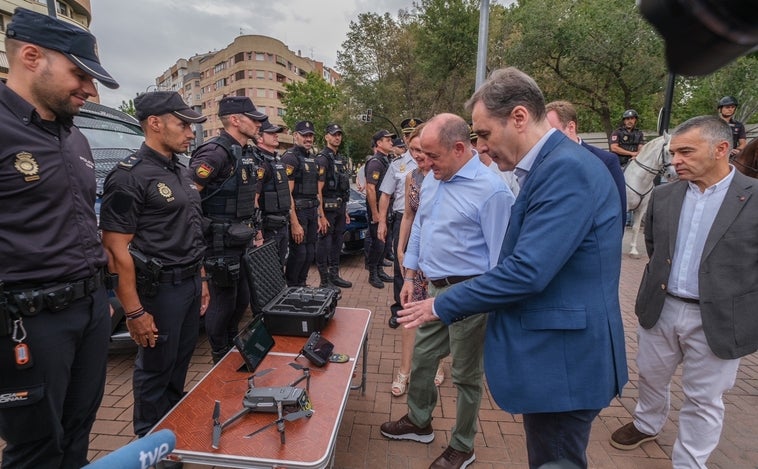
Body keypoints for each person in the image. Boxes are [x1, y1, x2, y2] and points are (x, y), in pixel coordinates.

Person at [397, 67, 628, 469]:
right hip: (559, 356)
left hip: (565, 361)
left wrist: (440, 305)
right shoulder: (552, 166)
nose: (481, 147)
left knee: (555, 460)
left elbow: (526, 270)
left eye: (484, 134)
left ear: (518, 117)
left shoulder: (565, 169)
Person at [0, 8, 119, 467]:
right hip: (28, 320)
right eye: (80, 74)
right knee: (35, 447)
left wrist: (103, 299)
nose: (90, 89)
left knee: (77, 431)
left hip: (88, 311)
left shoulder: (76, 139)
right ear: (32, 56)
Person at [610, 115, 758, 468]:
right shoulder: (663, 196)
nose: (675, 160)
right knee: (650, 374)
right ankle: (647, 423)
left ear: (721, 149)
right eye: (674, 152)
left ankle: (689, 462)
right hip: (661, 308)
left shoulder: (753, 199)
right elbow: (654, 246)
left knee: (704, 399)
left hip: (719, 318)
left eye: (686, 152)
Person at [380, 113, 514, 469]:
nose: (424, 163)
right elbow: (422, 226)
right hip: (435, 292)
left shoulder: (492, 191)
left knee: (466, 375)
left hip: (471, 293)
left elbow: (501, 259)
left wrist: (483, 300)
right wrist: (409, 276)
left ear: (459, 148)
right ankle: (419, 421)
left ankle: (463, 445)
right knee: (423, 358)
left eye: (432, 156)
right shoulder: (434, 178)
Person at [100, 91, 210, 438]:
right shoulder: (129, 176)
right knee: (155, 367)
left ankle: (173, 425)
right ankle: (149, 441)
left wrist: (202, 279)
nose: (191, 133)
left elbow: (192, 230)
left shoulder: (181, 169)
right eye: (184, 124)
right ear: (155, 123)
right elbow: (115, 249)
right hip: (160, 290)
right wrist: (133, 313)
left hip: (190, 283)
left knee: (180, 361)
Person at [189, 96, 266, 363]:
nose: (259, 123)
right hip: (219, 244)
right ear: (235, 120)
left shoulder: (245, 151)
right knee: (223, 303)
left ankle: (234, 344)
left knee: (241, 298)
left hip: (240, 241)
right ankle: (219, 352)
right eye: (253, 119)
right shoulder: (214, 153)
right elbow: (188, 201)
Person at [388, 123, 444, 397]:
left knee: (434, 312)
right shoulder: (412, 177)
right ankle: (404, 369)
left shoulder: (443, 175)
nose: (417, 154)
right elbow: (409, 216)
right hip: (413, 256)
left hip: (436, 257)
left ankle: (436, 364)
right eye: (412, 149)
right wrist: (400, 248)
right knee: (409, 311)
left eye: (420, 149)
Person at [546, 100, 627, 228]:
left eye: (551, 132)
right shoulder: (544, 163)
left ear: (571, 127)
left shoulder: (606, 161)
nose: (546, 138)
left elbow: (618, 212)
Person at [378, 118, 424, 328]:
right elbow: (385, 194)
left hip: (424, 222)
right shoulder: (398, 164)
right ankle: (400, 308)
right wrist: (381, 222)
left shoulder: (434, 164)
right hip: (402, 219)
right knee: (401, 265)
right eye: (407, 135)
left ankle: (422, 304)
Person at [281, 121, 324, 287]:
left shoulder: (312, 158)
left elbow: (316, 191)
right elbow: (287, 193)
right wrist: (294, 223)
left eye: (311, 135)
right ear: (295, 135)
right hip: (298, 212)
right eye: (304, 135)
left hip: (312, 211)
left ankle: (302, 284)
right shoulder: (290, 157)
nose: (308, 139)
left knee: (310, 252)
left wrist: (319, 215)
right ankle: (292, 286)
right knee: (299, 252)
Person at [314, 123, 353, 290]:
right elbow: (318, 190)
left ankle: (334, 275)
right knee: (325, 243)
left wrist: (345, 211)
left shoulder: (340, 158)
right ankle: (324, 281)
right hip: (327, 210)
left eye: (339, 134)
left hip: (340, 207)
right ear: (326, 137)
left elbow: (343, 187)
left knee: (337, 242)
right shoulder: (322, 158)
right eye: (333, 134)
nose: (337, 137)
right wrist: (320, 215)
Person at [254, 119, 292, 269]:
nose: (276, 136)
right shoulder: (260, 162)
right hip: (268, 228)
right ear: (260, 138)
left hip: (282, 223)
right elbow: (254, 198)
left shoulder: (277, 160)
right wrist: (258, 232)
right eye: (271, 133)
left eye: (276, 133)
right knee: (269, 271)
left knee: (280, 266)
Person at [365, 129, 396, 288]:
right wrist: (376, 213)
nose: (391, 142)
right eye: (387, 140)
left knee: (384, 242)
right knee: (377, 243)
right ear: (379, 143)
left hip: (387, 208)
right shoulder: (376, 162)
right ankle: (372, 273)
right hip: (377, 209)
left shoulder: (386, 160)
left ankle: (379, 269)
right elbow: (370, 188)